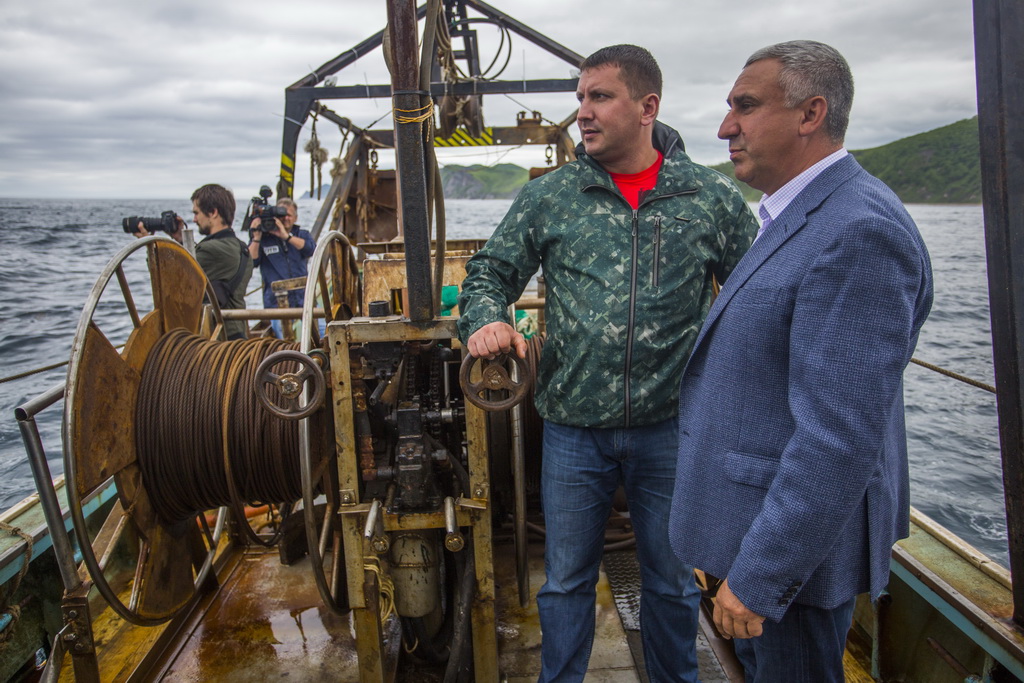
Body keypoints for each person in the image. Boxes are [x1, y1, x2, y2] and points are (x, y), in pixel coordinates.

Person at [457, 44, 758, 683]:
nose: (582, 114)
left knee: (674, 582)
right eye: (579, 99)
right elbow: (490, 270)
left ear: (648, 106)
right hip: (571, 429)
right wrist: (485, 317)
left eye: (599, 97)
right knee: (565, 581)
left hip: (673, 429)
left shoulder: (710, 196)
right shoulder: (554, 196)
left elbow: (753, 301)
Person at [668, 41, 933, 682]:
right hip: (754, 531)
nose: (726, 126)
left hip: (792, 567)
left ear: (811, 113)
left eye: (747, 106)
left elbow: (838, 440)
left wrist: (761, 577)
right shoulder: (799, 216)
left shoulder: (857, 230)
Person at [134, 184, 252, 340]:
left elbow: (165, 281)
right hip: (237, 335)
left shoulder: (210, 250)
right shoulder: (242, 248)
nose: (195, 219)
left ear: (213, 212)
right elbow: (200, 267)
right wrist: (179, 240)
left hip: (218, 341)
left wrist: (149, 245)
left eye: (197, 213)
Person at [247, 197, 315, 337]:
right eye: (281, 215)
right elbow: (251, 262)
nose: (285, 219)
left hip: (304, 300)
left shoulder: (302, 235)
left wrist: (286, 236)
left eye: (288, 215)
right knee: (284, 341)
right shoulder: (264, 239)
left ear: (295, 218)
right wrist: (256, 237)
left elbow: (310, 249)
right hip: (276, 304)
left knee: (319, 333)